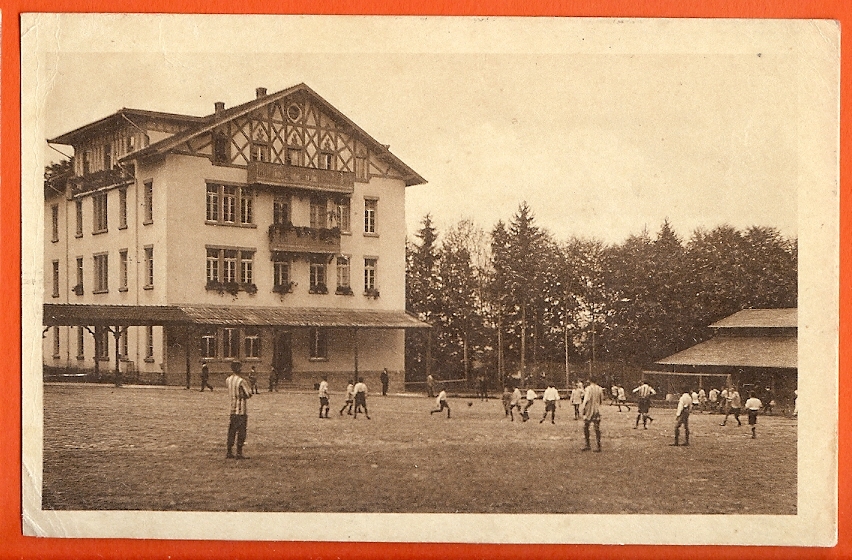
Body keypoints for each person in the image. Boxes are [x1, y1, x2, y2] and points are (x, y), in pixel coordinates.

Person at [225, 360, 252, 459]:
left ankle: (229, 451)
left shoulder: (228, 380)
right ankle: (239, 453)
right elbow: (248, 394)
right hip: (241, 410)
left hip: (232, 409)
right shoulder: (241, 381)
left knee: (231, 430)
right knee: (241, 431)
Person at [581, 377, 604, 452]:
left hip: (589, 409)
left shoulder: (588, 389)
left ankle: (587, 444)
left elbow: (586, 399)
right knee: (597, 427)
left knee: (586, 426)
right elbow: (601, 399)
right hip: (596, 409)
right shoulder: (600, 389)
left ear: (590, 381)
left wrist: (583, 408)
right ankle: (598, 446)